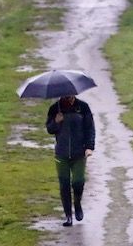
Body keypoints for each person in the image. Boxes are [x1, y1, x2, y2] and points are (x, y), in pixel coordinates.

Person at [46, 94, 95, 227]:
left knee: (78, 182)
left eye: (72, 95)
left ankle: (77, 203)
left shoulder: (83, 107)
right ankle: (68, 216)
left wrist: (89, 147)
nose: (70, 97)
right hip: (61, 154)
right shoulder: (55, 108)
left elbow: (90, 128)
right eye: (67, 95)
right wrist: (56, 121)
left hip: (79, 153)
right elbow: (49, 129)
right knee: (64, 185)